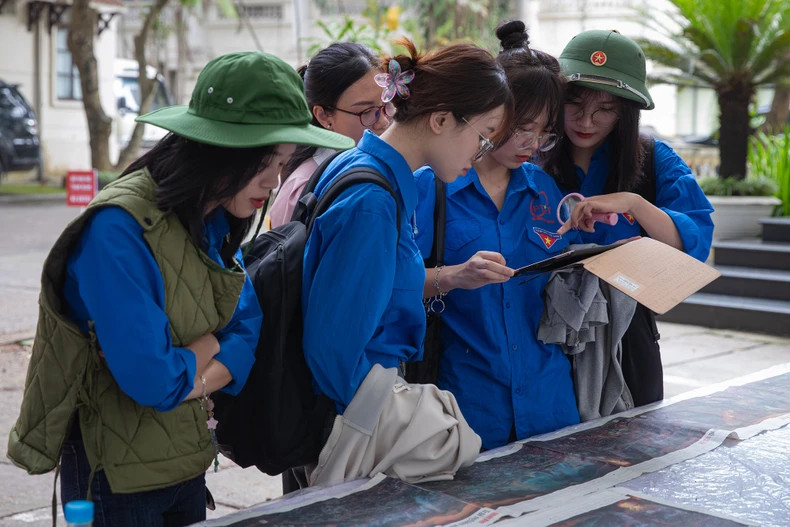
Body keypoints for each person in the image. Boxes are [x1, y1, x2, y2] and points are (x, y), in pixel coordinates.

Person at [7, 52, 354, 526]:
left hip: (188, 462)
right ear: (219, 149)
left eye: (282, 162)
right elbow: (154, 381)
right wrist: (211, 347)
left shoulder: (210, 215)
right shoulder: (118, 229)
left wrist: (193, 371)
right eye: (265, 163)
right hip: (118, 481)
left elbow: (247, 329)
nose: (274, 182)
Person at [300, 38, 512, 486]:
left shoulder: (367, 170)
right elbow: (334, 348)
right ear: (441, 120)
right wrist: (386, 423)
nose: (480, 154)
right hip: (355, 414)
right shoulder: (373, 202)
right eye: (482, 135)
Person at [413, 21, 583, 450]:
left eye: (545, 132)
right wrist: (453, 275)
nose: (533, 143)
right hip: (465, 407)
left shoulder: (544, 191)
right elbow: (392, 285)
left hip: (549, 402)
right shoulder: (432, 187)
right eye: (523, 127)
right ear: (494, 113)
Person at [544, 30, 714, 405]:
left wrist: (634, 204)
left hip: (627, 338)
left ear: (625, 112)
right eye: (574, 103)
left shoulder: (654, 158)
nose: (586, 120)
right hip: (539, 336)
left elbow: (694, 245)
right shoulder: (530, 155)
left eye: (604, 109)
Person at [269, 42, 391, 228]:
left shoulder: (377, 165)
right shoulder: (304, 189)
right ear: (324, 116)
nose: (383, 122)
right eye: (366, 111)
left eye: (386, 105)